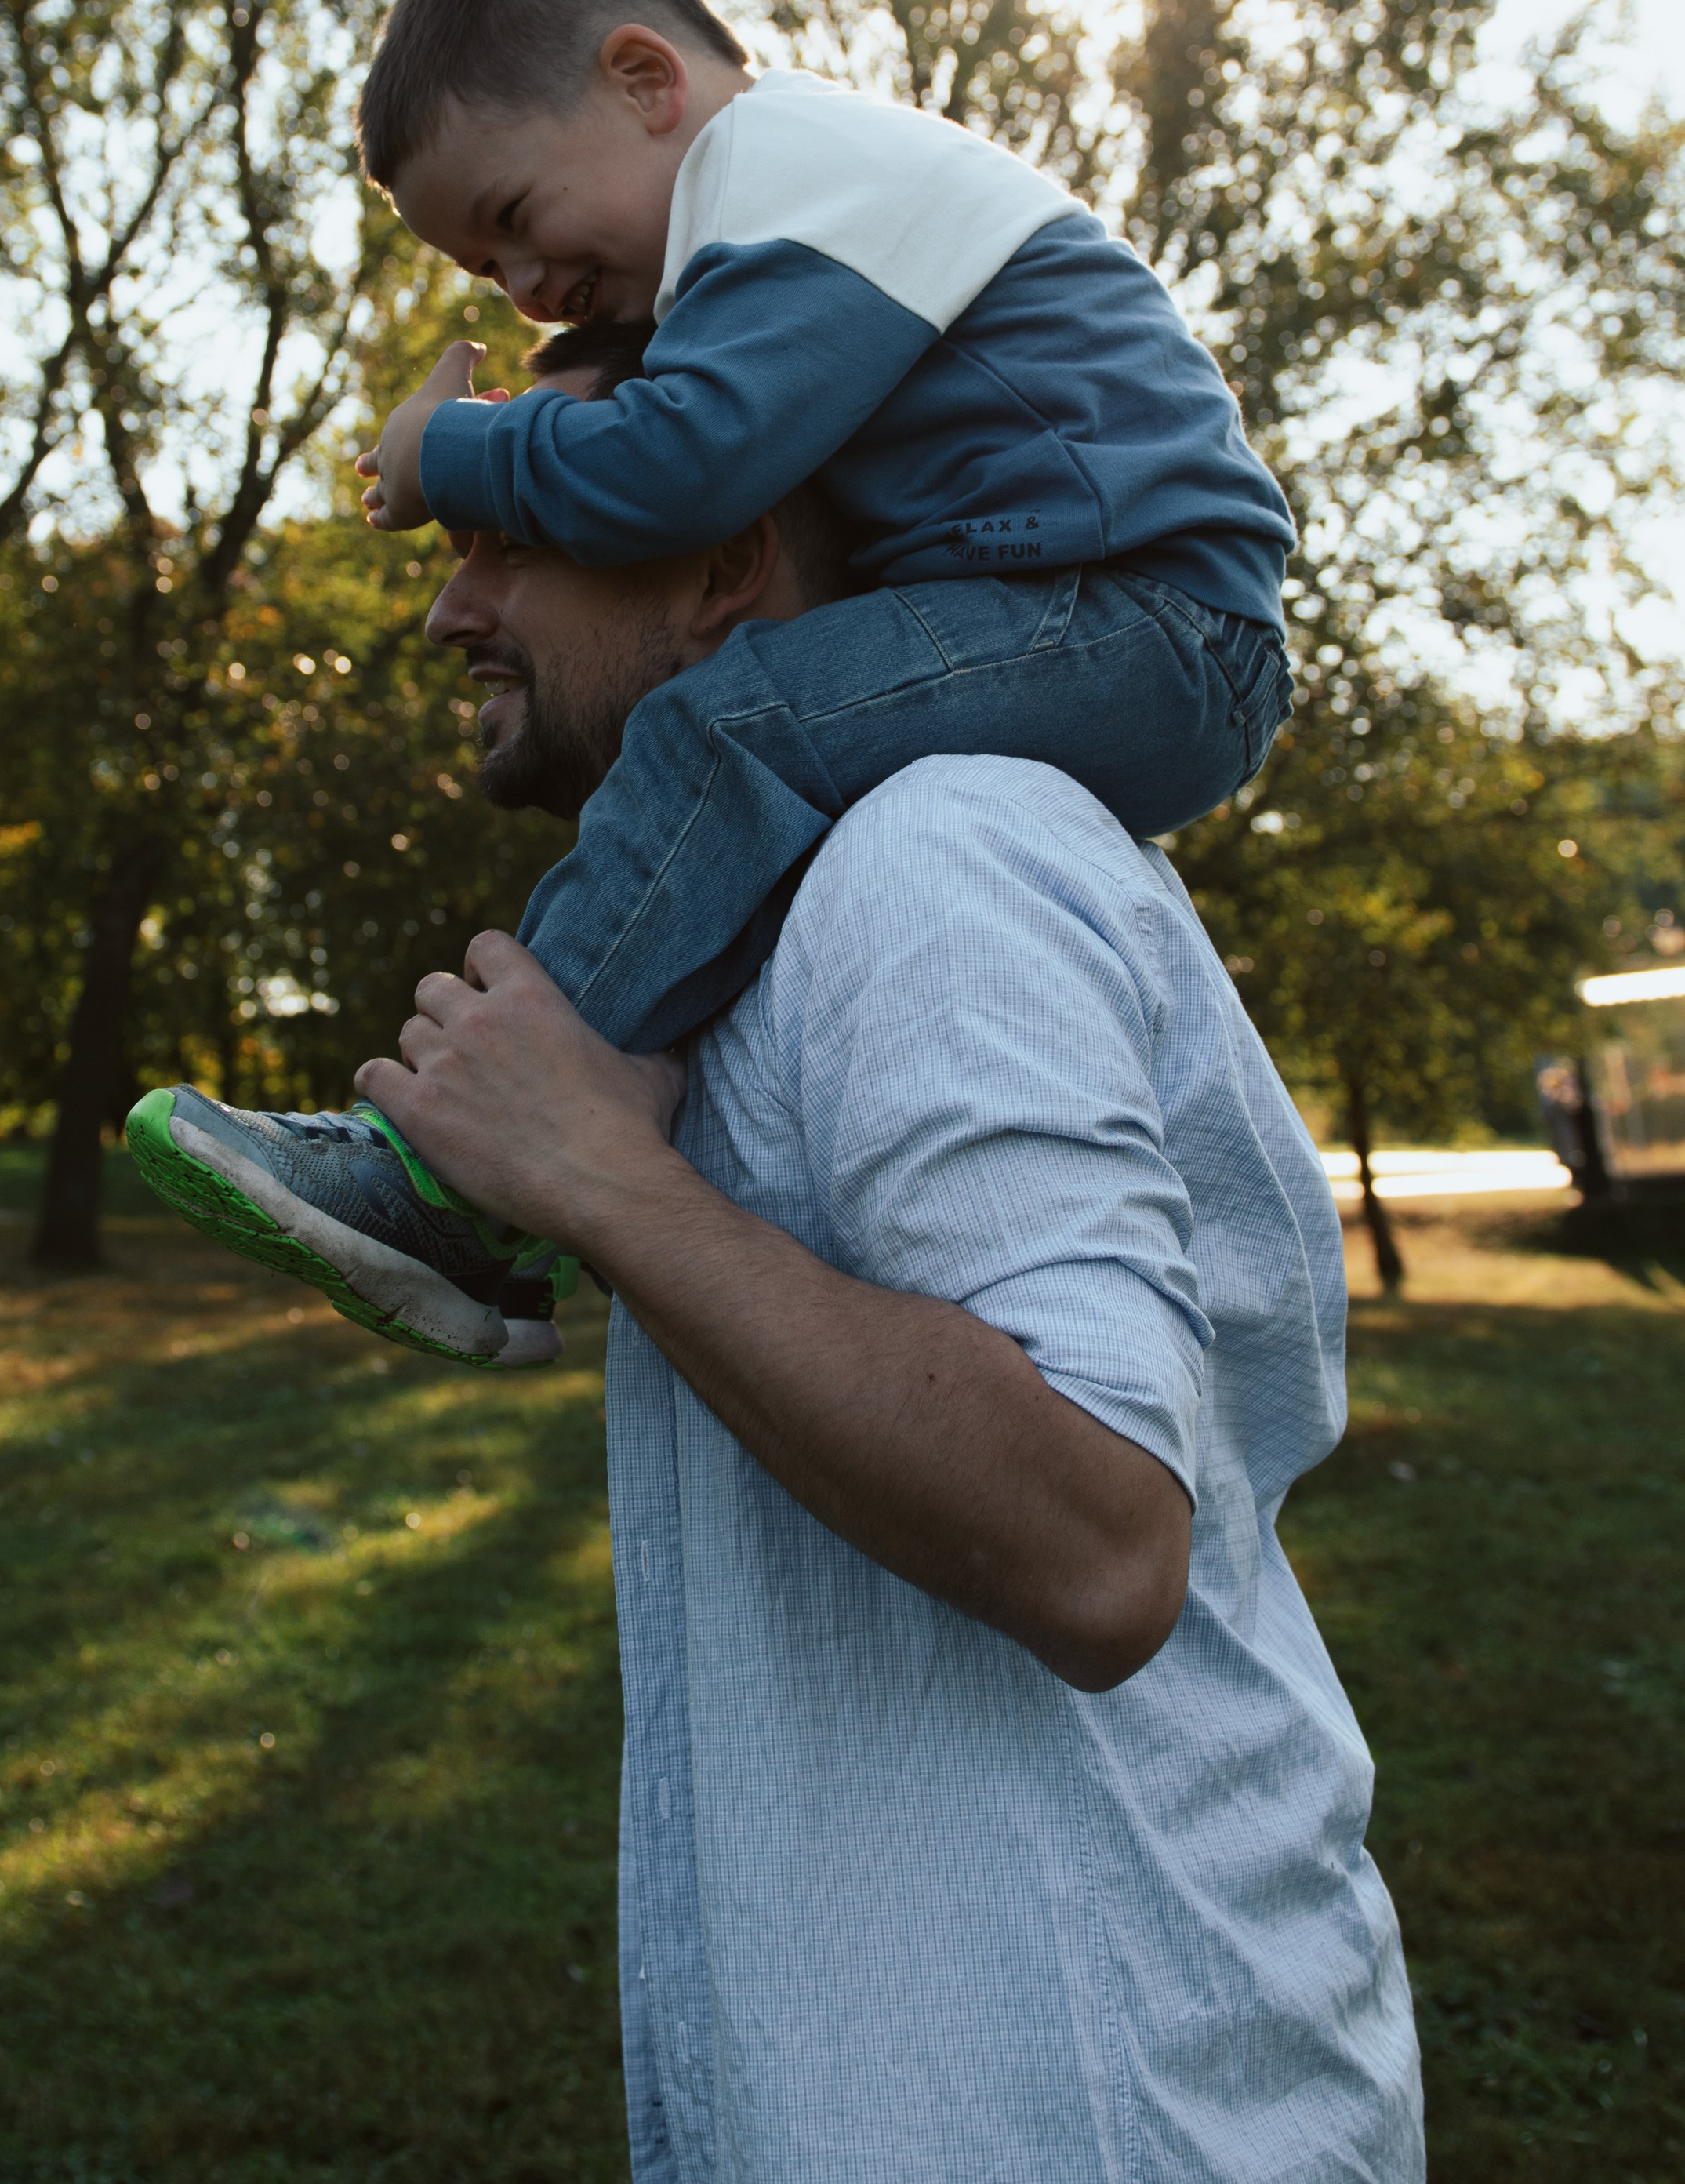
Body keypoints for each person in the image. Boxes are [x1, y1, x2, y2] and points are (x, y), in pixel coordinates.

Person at [379, 328, 1425, 2176]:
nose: (453, 610)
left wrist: (602, 1187)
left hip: (1107, 2110)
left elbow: (1101, 1543)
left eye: (507, 538)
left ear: (722, 563)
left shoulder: (932, 857)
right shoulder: (762, 932)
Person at [130, 0, 1298, 1360]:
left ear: (644, 81)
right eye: (485, 275)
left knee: (726, 720)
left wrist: (455, 454)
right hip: (1084, 608)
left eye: (512, 218)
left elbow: (687, 463)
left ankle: (450, 1169)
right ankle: (563, 1160)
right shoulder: (766, 214)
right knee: (756, 784)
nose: (523, 287)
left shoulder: (788, 163)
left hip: (1152, 616)